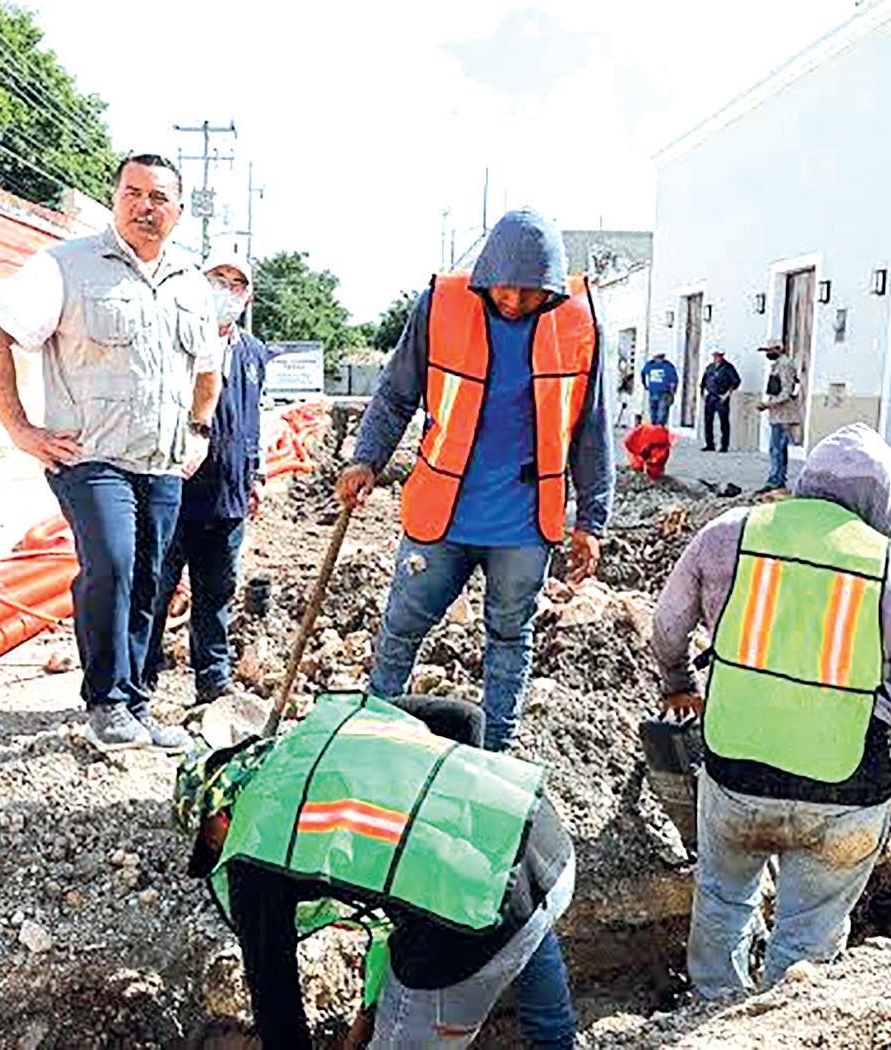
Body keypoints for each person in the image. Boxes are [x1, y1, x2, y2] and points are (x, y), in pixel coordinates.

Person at [335, 208, 613, 752]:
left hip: (525, 521)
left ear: (553, 288)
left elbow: (591, 425)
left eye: (530, 292)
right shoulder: (441, 306)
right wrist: (366, 458)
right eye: (505, 288)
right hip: (442, 512)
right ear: (486, 275)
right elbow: (395, 395)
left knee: (510, 636)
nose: (514, 300)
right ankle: (375, 736)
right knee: (401, 627)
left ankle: (495, 752)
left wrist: (592, 520)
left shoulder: (579, 322)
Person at [0, 154, 221, 752]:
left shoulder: (192, 284)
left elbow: (208, 370)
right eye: (132, 193)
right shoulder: (65, 266)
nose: (144, 206)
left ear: (179, 211)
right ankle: (106, 702)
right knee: (111, 563)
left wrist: (198, 431)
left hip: (161, 462)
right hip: (89, 457)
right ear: (115, 199)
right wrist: (21, 430)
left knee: (148, 578)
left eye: (158, 197)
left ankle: (135, 702)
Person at [175, 692, 577, 1048]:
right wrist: (458, 823)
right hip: (540, 835)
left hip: (471, 922)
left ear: (220, 816)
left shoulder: (253, 853)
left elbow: (275, 1000)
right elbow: (465, 717)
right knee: (521, 928)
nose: (217, 850)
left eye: (209, 840)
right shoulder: (331, 725)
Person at [651, 423, 891, 998]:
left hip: (735, 769)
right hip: (848, 789)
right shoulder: (884, 561)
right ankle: (782, 1014)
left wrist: (679, 683)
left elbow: (666, 628)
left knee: (722, 899)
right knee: (808, 938)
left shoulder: (727, 533)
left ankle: (711, 1009)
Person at [144, 251, 274, 701]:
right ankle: (140, 678)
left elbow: (253, 419)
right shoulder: (173, 339)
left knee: (216, 592)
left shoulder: (253, 353)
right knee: (156, 587)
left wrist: (256, 474)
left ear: (248, 297)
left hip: (228, 495)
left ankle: (213, 679)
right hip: (174, 491)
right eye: (218, 279)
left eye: (237, 284)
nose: (226, 291)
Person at [756, 341, 801, 493]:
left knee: (777, 449)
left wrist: (767, 404)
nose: (767, 354)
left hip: (783, 415)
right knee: (777, 449)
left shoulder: (785, 365)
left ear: (778, 349)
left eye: (769, 350)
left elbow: (786, 392)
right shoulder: (777, 365)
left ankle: (776, 480)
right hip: (777, 415)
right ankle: (777, 478)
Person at [699, 349, 740, 452]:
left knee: (724, 422)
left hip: (721, 397)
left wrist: (727, 394)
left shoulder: (728, 367)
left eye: (718, 356)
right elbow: (703, 381)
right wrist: (703, 394)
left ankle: (724, 445)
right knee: (708, 421)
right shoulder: (710, 367)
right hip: (710, 397)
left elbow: (736, 381)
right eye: (715, 356)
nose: (716, 358)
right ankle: (709, 444)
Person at [640, 351, 678, 426]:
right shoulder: (668, 366)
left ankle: (656, 429)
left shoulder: (651, 365)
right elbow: (674, 381)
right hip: (661, 392)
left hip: (660, 392)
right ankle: (657, 429)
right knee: (659, 415)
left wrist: (645, 385)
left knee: (656, 414)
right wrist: (673, 393)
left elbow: (643, 374)